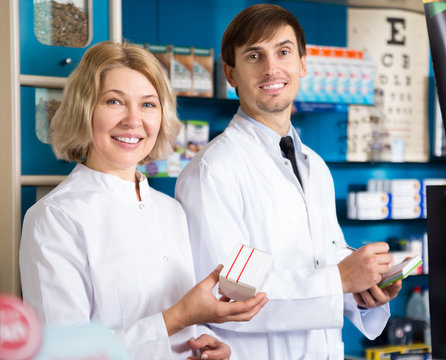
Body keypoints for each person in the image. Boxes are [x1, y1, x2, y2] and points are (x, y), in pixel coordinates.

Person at [175, 4, 402, 359]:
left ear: (302, 63)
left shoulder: (315, 166)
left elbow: (322, 262)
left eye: (283, 52)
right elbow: (227, 296)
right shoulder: (213, 171)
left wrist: (363, 290)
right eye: (254, 56)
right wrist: (339, 279)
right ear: (230, 73)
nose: (271, 69)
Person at [19, 41, 268, 360]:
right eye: (114, 101)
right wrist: (178, 317)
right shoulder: (54, 217)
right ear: (85, 110)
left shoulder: (171, 211)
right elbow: (62, 354)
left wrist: (201, 341)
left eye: (148, 105)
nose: (133, 120)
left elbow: (175, 329)